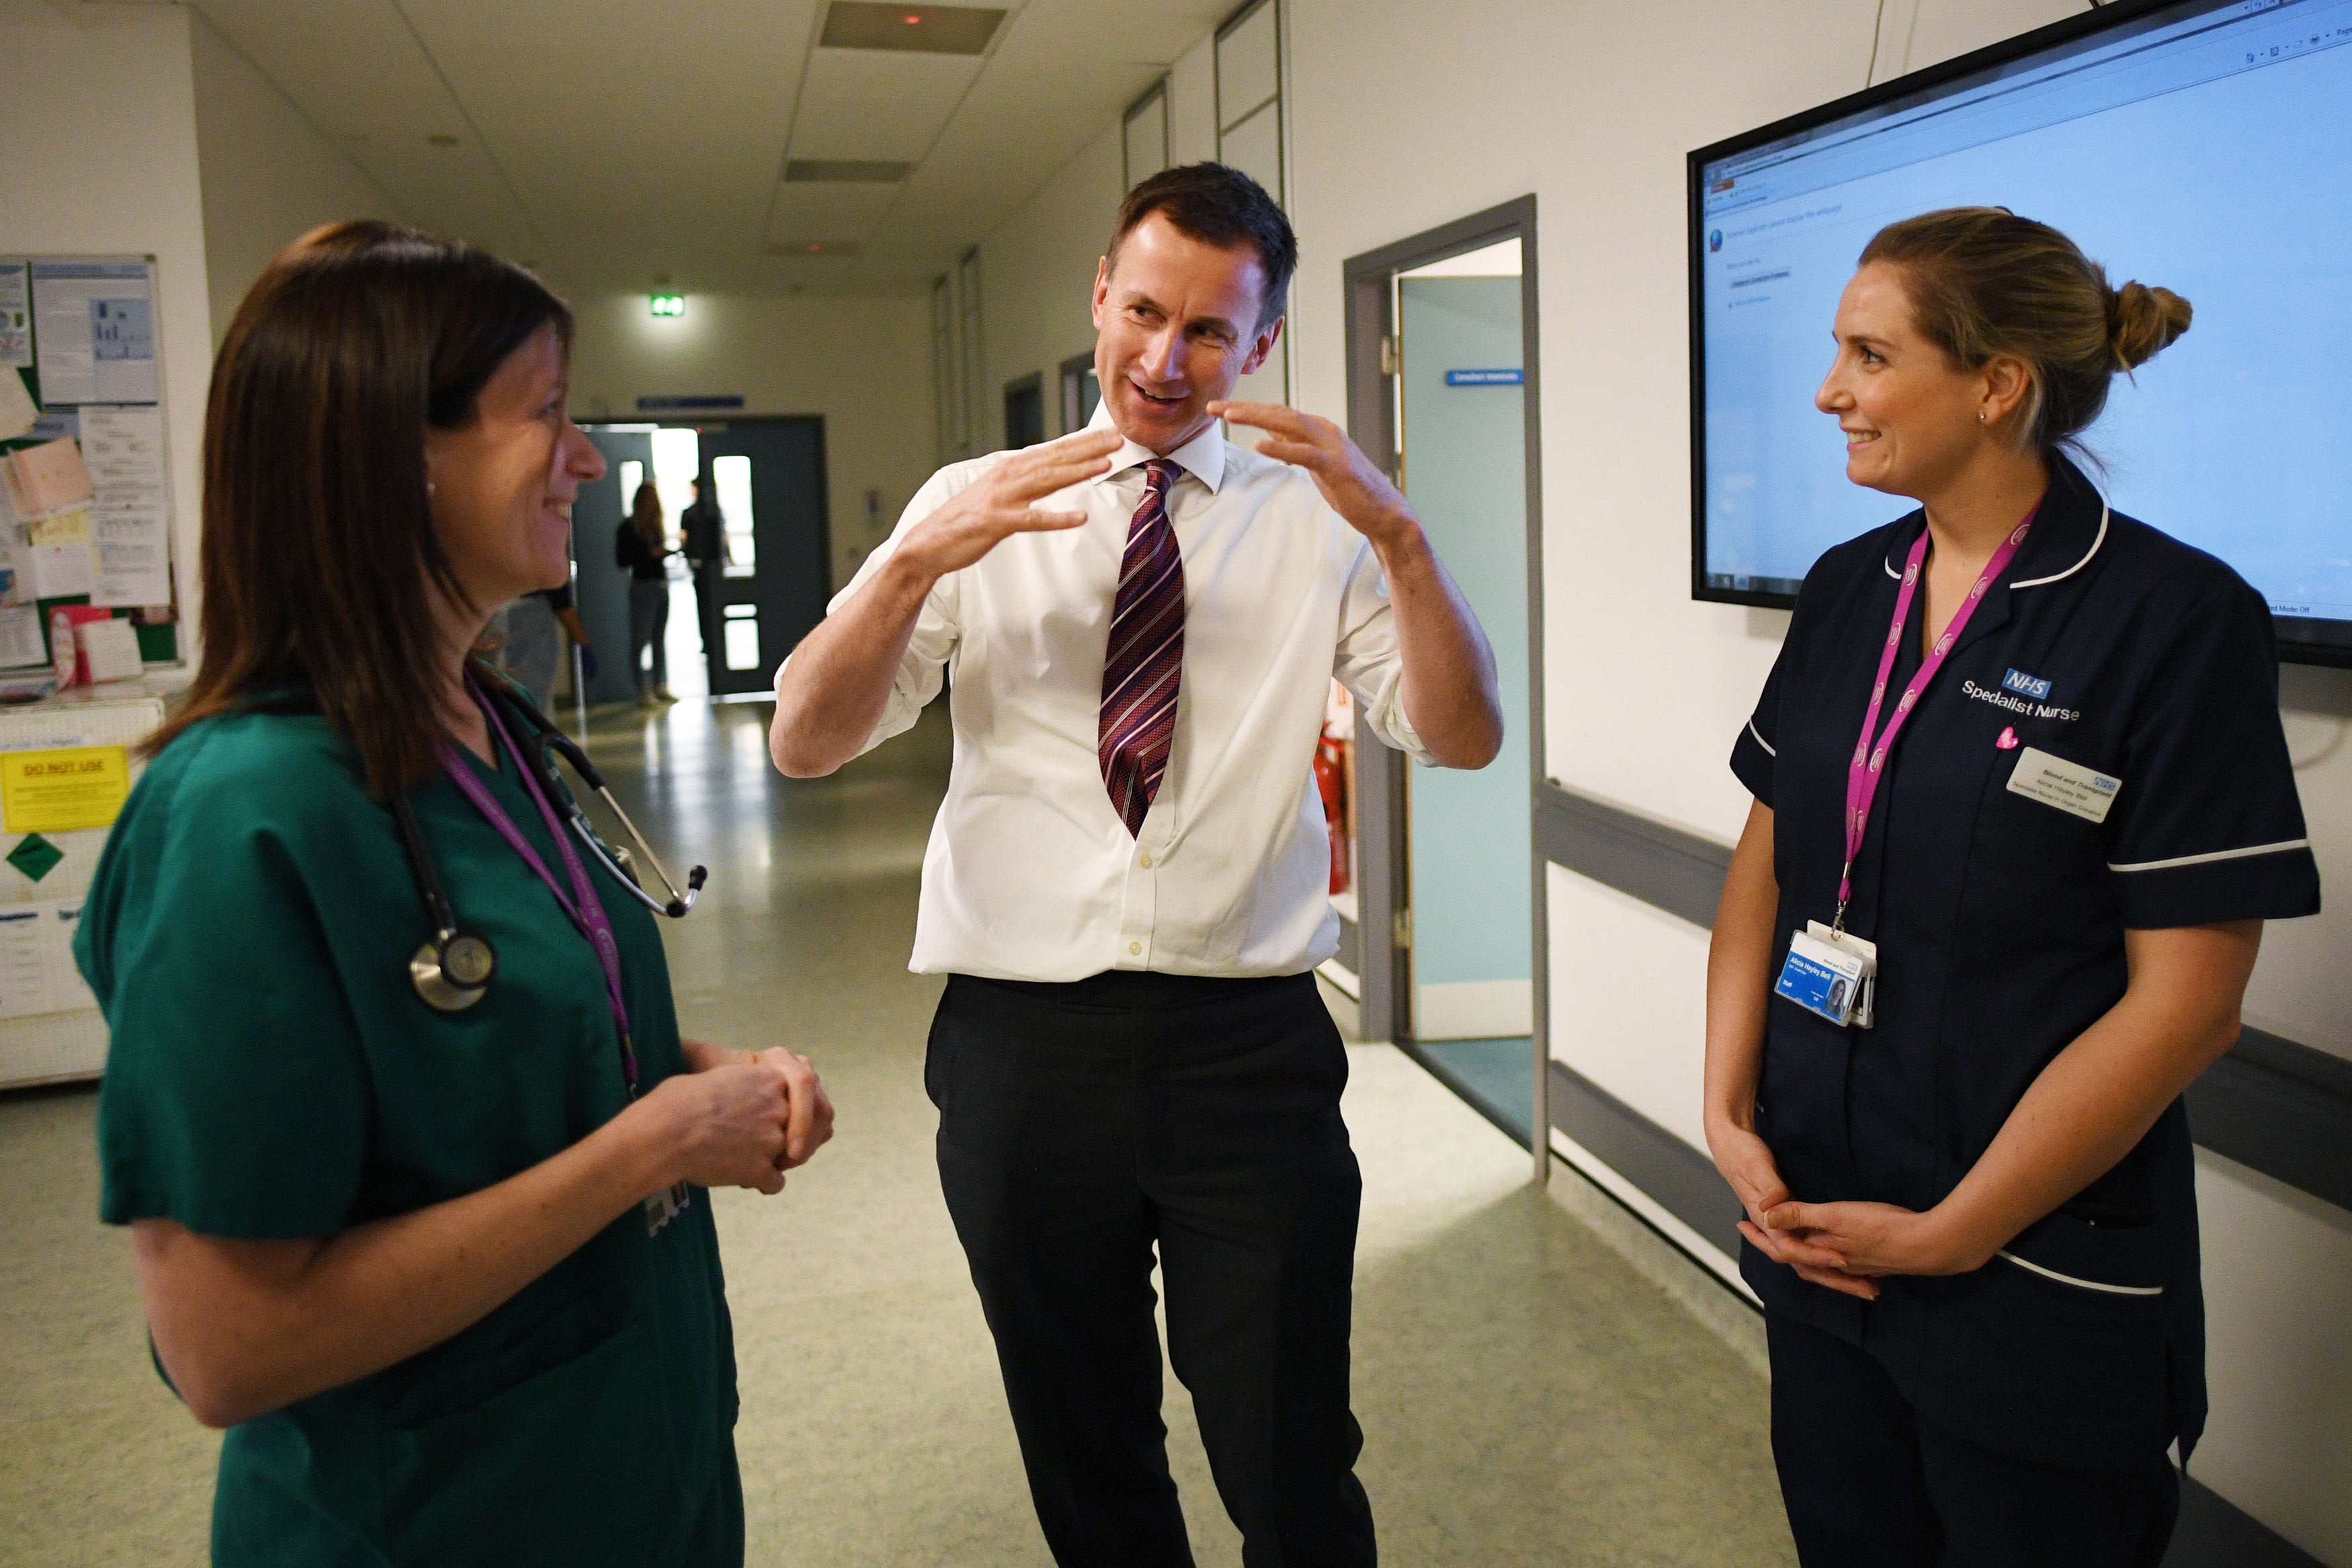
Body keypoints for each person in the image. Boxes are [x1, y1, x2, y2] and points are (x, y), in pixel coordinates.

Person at [770, 162, 1504, 1567]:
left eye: (1211, 330)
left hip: (1248, 1054)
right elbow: (807, 741)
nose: (1167, 359)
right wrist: (911, 567)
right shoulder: (975, 503)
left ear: (1261, 341)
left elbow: (1461, 736)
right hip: (1022, 1049)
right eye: (1145, 312)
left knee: (1288, 1448)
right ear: (1100, 298)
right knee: (1082, 1441)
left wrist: (1401, 534)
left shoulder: (1318, 519)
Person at [77, 220, 834, 1567]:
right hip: (428, 1520)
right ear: (393, 460)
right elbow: (229, 1349)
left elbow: (477, 1065)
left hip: (628, 1475)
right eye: (547, 415)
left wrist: (692, 1081)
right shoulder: (244, 816)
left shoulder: (479, 727)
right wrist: (652, 1143)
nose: (588, 459)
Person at [1704, 207, 2320, 1567]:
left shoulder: (2172, 619)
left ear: (1995, 387)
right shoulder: (1846, 587)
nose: (1827, 392)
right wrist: (1725, 1102)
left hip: (2028, 1278)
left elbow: (2189, 1007)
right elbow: (1771, 852)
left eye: (1868, 356)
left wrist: (1948, 1234)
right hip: (1812, 1226)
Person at [616, 481, 674, 706]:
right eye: (647, 499)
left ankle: (660, 684)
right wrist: (648, 554)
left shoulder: (656, 527)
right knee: (640, 640)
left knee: (659, 638)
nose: (651, 503)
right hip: (642, 587)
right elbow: (622, 561)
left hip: (660, 584)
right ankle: (642, 689)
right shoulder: (628, 528)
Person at [497, 580, 595, 711]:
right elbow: (557, 592)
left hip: (498, 606)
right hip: (531, 609)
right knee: (532, 691)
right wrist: (582, 641)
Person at [680, 476, 729, 658]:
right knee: (708, 604)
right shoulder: (713, 511)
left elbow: (685, 539)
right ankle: (712, 640)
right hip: (708, 567)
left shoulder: (691, 513)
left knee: (705, 605)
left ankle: (709, 641)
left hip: (702, 566)